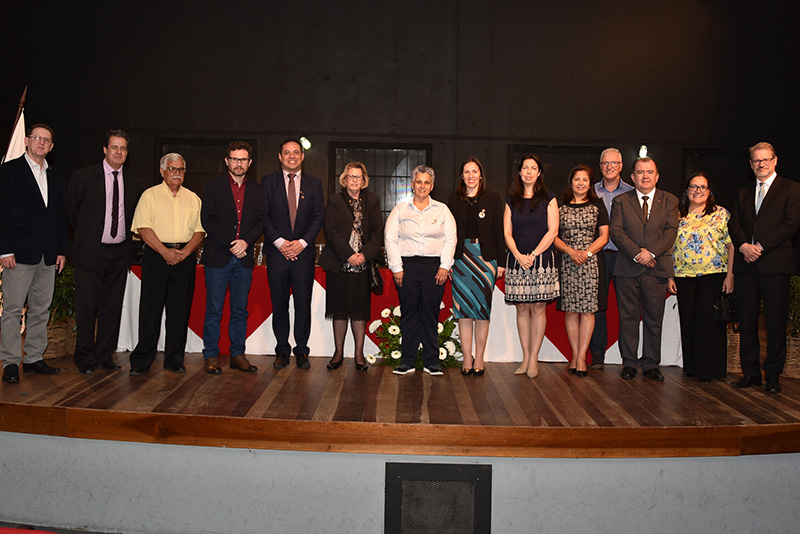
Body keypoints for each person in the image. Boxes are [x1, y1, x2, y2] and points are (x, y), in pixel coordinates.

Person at [64, 129, 144, 374]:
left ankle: (104, 355)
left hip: (120, 254)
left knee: (112, 306)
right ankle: (85, 357)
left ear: (127, 153)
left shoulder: (134, 182)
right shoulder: (84, 176)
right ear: (105, 149)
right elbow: (69, 211)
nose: (118, 152)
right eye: (114, 147)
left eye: (123, 148)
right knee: (87, 307)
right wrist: (88, 235)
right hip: (90, 254)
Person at [728, 142, 800, 394]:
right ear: (750, 164)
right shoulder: (743, 191)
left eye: (765, 160)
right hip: (747, 265)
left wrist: (760, 246)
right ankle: (750, 373)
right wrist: (745, 247)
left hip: (775, 265)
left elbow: (790, 224)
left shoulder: (791, 189)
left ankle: (772, 376)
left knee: (775, 322)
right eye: (756, 160)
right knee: (747, 321)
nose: (761, 164)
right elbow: (733, 223)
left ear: (775, 160)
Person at [0, 124, 69, 383]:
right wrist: (4, 249)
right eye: (37, 138)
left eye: (47, 140)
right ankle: (10, 362)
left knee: (41, 309)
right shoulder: (8, 172)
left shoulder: (56, 176)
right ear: (28, 141)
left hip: (48, 254)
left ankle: (33, 359)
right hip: (18, 254)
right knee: (13, 310)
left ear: (51, 147)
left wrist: (62, 250)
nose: (41, 143)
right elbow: (2, 213)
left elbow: (59, 217)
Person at [128, 153, 204, 375]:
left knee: (179, 311)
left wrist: (185, 252)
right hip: (156, 255)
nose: (177, 173)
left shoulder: (193, 198)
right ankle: (142, 360)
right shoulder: (149, 196)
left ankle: (174, 359)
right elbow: (143, 228)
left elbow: (200, 231)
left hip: (185, 256)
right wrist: (164, 252)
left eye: (180, 169)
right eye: (172, 169)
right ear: (162, 171)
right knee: (150, 310)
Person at [609, 157, 679, 382]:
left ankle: (650, 364)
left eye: (650, 172)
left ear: (657, 176)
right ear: (633, 177)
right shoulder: (621, 201)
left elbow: (671, 232)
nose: (645, 176)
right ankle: (629, 362)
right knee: (627, 318)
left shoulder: (670, 200)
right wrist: (639, 254)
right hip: (627, 268)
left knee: (653, 319)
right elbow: (616, 232)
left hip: (656, 269)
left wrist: (651, 253)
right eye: (640, 172)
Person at [199, 141, 265, 375]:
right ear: (227, 161)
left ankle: (237, 354)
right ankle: (211, 356)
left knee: (240, 310)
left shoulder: (257, 190)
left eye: (243, 160)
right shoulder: (213, 186)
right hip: (218, 257)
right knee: (214, 309)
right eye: (235, 159)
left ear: (250, 163)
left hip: (244, 258)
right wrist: (232, 244)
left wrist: (245, 242)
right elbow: (208, 220)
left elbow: (261, 221)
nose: (239, 163)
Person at [385, 165, 456, 376]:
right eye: (419, 182)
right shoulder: (400, 210)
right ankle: (407, 361)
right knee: (409, 313)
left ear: (432, 186)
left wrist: (445, 266)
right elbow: (390, 239)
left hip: (434, 268)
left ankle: (431, 362)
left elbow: (450, 240)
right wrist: (396, 268)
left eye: (427, 182)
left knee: (430, 314)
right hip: (407, 268)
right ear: (412, 184)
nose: (422, 186)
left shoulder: (442, 210)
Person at [262, 139, 325, 370]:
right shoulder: (267, 182)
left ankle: (301, 350)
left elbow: (318, 217)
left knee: (302, 305)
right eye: (286, 153)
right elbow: (263, 216)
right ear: (279, 156)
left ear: (302, 156)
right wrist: (280, 243)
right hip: (277, 254)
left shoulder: (315, 184)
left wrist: (301, 243)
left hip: (304, 255)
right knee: (279, 304)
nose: (291, 156)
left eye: (295, 152)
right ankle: (281, 350)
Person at [666, 173, 733, 383]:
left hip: (713, 275)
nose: (698, 191)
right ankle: (691, 367)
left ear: (709, 190)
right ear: (686, 191)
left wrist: (730, 276)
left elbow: (732, 246)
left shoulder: (721, 214)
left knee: (708, 323)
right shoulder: (677, 215)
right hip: (683, 276)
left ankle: (709, 370)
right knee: (688, 321)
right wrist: (670, 275)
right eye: (694, 187)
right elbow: (668, 247)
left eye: (703, 187)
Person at [318, 162, 383, 371]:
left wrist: (364, 255)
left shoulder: (372, 200)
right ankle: (337, 353)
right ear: (344, 179)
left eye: (358, 177)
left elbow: (378, 230)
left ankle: (359, 354)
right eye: (351, 176)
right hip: (340, 264)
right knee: (339, 310)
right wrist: (348, 255)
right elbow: (330, 230)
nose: (355, 180)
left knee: (359, 311)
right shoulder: (335, 200)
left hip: (363, 266)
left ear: (364, 180)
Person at [446, 157, 505, 375]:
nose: (471, 176)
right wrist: (447, 261)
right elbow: (449, 233)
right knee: (463, 311)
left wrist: (501, 262)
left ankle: (479, 358)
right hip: (461, 258)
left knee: (481, 311)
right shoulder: (454, 199)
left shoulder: (493, 198)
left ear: (481, 175)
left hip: (486, 260)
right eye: (466, 172)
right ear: (462, 176)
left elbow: (499, 230)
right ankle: (467, 358)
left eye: (474, 171)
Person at [503, 154, 559, 379]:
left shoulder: (549, 198)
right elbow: (507, 232)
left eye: (532, 168)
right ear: (519, 172)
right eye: (524, 167)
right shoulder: (512, 199)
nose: (528, 171)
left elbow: (553, 231)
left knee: (538, 308)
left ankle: (534, 357)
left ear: (539, 173)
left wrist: (534, 254)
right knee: (521, 308)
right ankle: (525, 357)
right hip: (517, 259)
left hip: (542, 259)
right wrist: (518, 255)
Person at [553, 164, 609, 378]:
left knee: (587, 311)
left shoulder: (598, 205)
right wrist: (570, 251)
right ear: (571, 182)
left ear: (590, 183)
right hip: (567, 262)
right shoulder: (561, 206)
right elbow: (554, 235)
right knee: (570, 310)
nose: (581, 183)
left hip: (590, 262)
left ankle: (582, 358)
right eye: (577, 179)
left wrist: (585, 253)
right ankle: (575, 355)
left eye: (585, 180)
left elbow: (604, 236)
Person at [589, 148, 634, 369]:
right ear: (600, 166)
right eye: (605, 163)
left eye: (614, 163)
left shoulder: (632, 192)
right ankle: (597, 353)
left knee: (627, 308)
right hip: (597, 257)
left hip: (624, 257)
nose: (609, 167)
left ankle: (629, 357)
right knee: (597, 307)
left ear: (621, 166)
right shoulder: (590, 191)